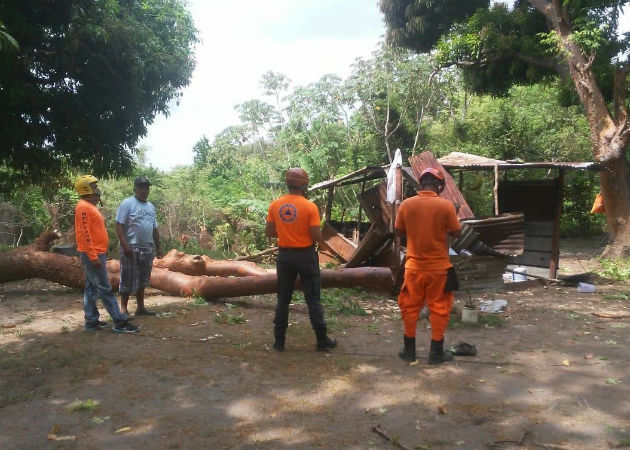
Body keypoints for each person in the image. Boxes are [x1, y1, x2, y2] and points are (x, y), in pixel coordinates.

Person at [265, 168, 337, 352]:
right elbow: (314, 235)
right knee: (313, 299)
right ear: (304, 184)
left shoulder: (275, 205)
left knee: (283, 299)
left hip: (285, 256)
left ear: (287, 183)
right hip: (305, 256)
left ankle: (279, 342)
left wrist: (286, 231)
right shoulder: (310, 207)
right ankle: (322, 341)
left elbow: (269, 232)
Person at [394, 167, 461, 364]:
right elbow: (456, 234)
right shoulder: (446, 206)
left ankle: (409, 352)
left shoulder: (407, 205)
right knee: (439, 308)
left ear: (421, 184)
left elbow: (398, 231)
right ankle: (436, 354)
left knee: (409, 306)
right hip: (439, 269)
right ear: (439, 186)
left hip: (413, 268)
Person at [74, 175, 139, 333]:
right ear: (86, 189)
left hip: (97, 253)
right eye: (94, 187)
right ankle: (119, 322)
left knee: (91, 288)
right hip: (93, 255)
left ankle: (91, 321)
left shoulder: (89, 206)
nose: (98, 190)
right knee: (105, 288)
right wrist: (93, 256)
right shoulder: (83, 207)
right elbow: (84, 234)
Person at [115, 176, 163, 317]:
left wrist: (158, 247)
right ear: (135, 189)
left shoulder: (150, 207)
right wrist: (125, 245)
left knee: (143, 279)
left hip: (147, 248)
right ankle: (123, 309)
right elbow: (119, 226)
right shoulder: (127, 203)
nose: (144, 190)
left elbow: (154, 228)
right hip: (131, 248)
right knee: (127, 278)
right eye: (141, 188)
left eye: (146, 188)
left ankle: (140, 308)